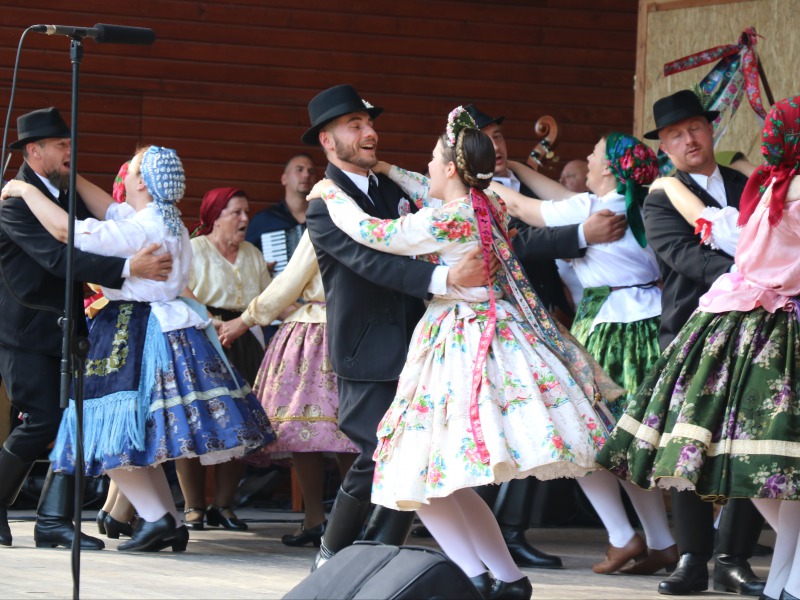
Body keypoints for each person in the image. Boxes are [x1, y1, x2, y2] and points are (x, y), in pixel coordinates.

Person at [309, 106, 632, 599]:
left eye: (434, 162)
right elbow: (427, 186)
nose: (427, 171)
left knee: (417, 471)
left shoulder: (447, 219)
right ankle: (501, 579)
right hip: (482, 333)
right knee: (444, 476)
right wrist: (393, 170)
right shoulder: (488, 204)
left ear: (451, 170)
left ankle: (482, 577)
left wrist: (330, 193)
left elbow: (378, 235)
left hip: (458, 340)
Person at [2, 145, 275, 552]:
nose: (120, 179)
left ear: (142, 182)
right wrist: (70, 175)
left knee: (103, 436)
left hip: (133, 331)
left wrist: (24, 191)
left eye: (128, 173)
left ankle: (158, 518)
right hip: (169, 329)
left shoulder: (141, 229)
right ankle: (166, 523)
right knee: (141, 440)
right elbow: (109, 210)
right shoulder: (167, 222)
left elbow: (67, 231)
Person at [597, 95, 800, 600]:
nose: (689, 140)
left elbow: (744, 237)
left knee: (750, 445)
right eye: (676, 135)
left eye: (696, 129)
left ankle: (733, 559)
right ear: (663, 145)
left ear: (711, 131)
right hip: (700, 329)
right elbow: (684, 256)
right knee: (690, 446)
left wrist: (759, 271)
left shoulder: (751, 182)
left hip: (763, 324)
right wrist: (754, 274)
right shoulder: (661, 196)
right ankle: (692, 556)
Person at [301, 85, 493, 571]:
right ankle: (331, 554)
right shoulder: (324, 203)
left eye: (369, 123)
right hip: (366, 348)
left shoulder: (392, 188)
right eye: (355, 126)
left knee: (417, 456)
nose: (370, 133)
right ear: (327, 141)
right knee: (377, 453)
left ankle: (379, 557)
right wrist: (445, 278)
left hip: (420, 342)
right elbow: (370, 262)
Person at [494, 132, 678, 576]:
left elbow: (524, 209)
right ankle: (659, 541)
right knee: (628, 441)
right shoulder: (636, 202)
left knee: (582, 433)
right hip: (650, 323)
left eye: (595, 154)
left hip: (608, 330)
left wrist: (477, 179)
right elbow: (559, 196)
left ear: (609, 169)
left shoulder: (594, 209)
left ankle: (622, 535)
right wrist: (516, 167)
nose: (590, 159)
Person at [463, 103, 626, 571]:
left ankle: (512, 531)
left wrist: (558, 305)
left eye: (498, 136)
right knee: (517, 421)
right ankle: (497, 534)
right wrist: (581, 234)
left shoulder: (516, 183)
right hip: (492, 317)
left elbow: (544, 233)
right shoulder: (467, 196)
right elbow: (511, 246)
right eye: (485, 139)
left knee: (550, 419)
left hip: (540, 315)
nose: (495, 146)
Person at [0, 108, 172, 550]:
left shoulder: (58, 189)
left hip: (68, 327)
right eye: (60, 146)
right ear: (33, 151)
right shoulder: (16, 201)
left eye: (69, 143)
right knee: (41, 419)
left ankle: (52, 520)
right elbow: (58, 257)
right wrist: (129, 268)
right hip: (26, 331)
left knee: (75, 419)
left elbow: (104, 223)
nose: (69, 151)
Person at [219, 229, 359, 547]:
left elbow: (290, 280)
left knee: (308, 426)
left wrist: (246, 320)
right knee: (345, 431)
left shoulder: (329, 212)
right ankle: (347, 521)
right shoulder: (379, 211)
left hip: (320, 331)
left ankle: (319, 519)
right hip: (355, 328)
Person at [175, 187, 272, 532]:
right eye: (237, 212)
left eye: (247, 211)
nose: (246, 219)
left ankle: (224, 505)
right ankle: (193, 507)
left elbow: (267, 296)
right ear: (215, 216)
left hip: (245, 339)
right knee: (197, 421)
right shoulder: (194, 249)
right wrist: (207, 319)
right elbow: (177, 287)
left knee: (241, 424)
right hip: (203, 337)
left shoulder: (252, 254)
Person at [246, 153, 316, 267]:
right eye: (299, 170)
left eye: (311, 172)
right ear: (284, 179)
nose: (306, 175)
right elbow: (245, 259)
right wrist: (261, 270)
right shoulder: (264, 219)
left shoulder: (323, 218)